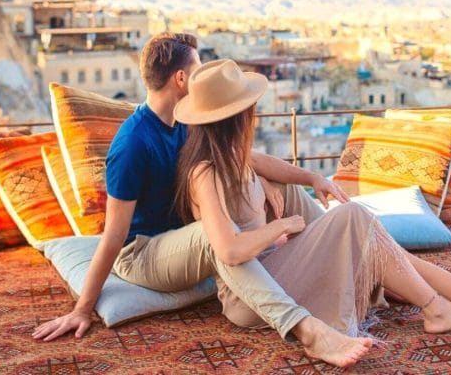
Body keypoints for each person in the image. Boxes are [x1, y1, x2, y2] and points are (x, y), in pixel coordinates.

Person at [33, 33, 372, 368]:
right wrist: (82, 309)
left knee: (273, 197)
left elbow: (247, 156)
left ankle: (364, 267)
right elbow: (113, 236)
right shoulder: (133, 144)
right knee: (216, 236)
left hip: (184, 240)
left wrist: (308, 178)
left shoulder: (185, 121)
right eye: (198, 70)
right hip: (145, 253)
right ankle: (306, 328)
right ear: (181, 79)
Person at [174, 59, 451, 346]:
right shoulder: (204, 173)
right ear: (239, 115)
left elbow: (270, 164)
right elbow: (227, 250)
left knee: (378, 242)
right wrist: (281, 227)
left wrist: (314, 178)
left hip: (278, 267)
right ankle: (440, 308)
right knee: (354, 218)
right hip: (253, 299)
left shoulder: (234, 154)